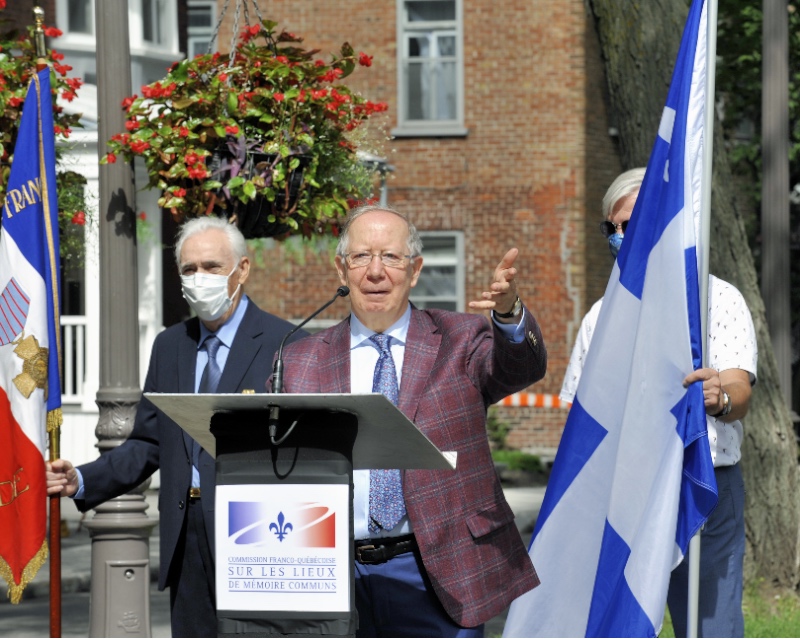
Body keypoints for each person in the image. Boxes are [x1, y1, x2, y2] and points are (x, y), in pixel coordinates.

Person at [276, 204, 547, 637]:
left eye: (392, 257)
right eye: (361, 256)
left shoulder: (460, 338)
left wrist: (510, 314)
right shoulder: (301, 359)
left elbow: (521, 367)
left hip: (439, 570)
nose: (376, 271)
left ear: (416, 269)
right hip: (333, 575)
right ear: (341, 271)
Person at [46, 216, 306, 637]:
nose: (199, 278)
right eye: (189, 269)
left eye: (212, 267)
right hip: (186, 540)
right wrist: (80, 479)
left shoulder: (287, 343)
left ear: (242, 269)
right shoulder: (171, 346)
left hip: (259, 539)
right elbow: (149, 441)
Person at [560, 168, 758, 637]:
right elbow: (578, 416)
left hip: (703, 484)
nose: (627, 235)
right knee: (618, 625)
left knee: (711, 626)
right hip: (623, 494)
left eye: (640, 221)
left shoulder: (718, 298)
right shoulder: (599, 316)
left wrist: (720, 397)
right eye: (617, 226)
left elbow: (739, 391)